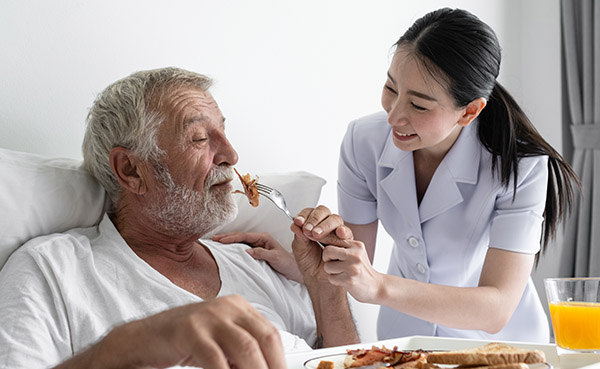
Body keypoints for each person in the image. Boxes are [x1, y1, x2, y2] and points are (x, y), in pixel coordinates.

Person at [229, 8, 580, 343]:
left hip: (501, 346)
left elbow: (496, 308)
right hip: (406, 339)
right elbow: (357, 263)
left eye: (419, 105)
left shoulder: (522, 167)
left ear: (469, 111)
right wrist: (303, 266)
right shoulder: (363, 142)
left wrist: (378, 286)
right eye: (391, 88)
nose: (394, 116)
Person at [0, 67, 358, 369]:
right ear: (131, 170)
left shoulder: (255, 263)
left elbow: (347, 360)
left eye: (223, 131)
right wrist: (137, 340)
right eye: (200, 138)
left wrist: (326, 290)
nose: (231, 155)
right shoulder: (52, 270)